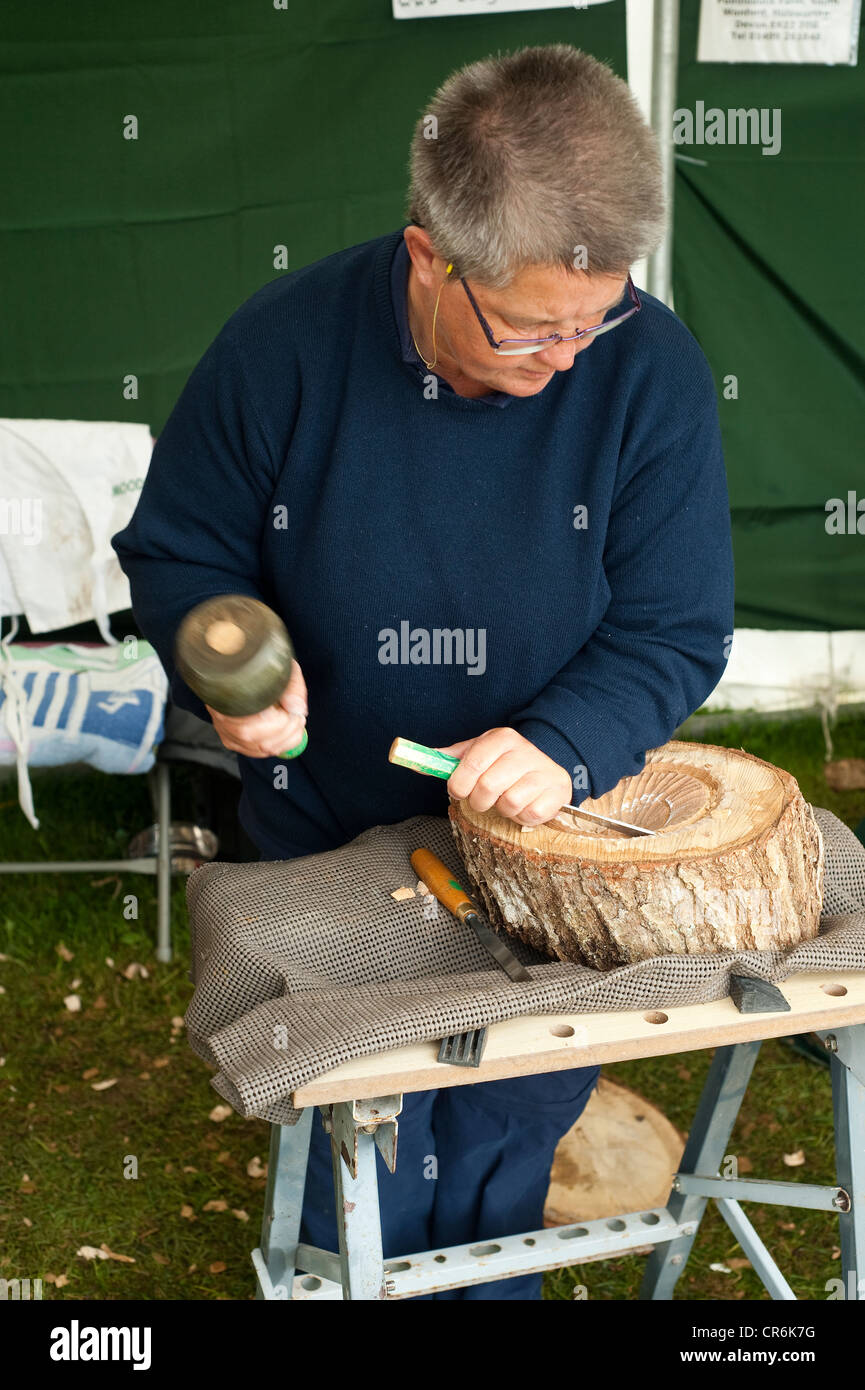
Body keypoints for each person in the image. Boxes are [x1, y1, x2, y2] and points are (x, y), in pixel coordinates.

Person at [112, 44, 735, 1299]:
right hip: (327, 835)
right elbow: (177, 555)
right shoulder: (282, 349)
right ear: (427, 258)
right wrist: (226, 659)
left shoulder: (645, 366)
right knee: (364, 1153)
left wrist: (564, 739)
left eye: (593, 317)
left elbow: (675, 625)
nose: (568, 357)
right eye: (530, 328)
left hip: (544, 848)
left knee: (511, 1136)